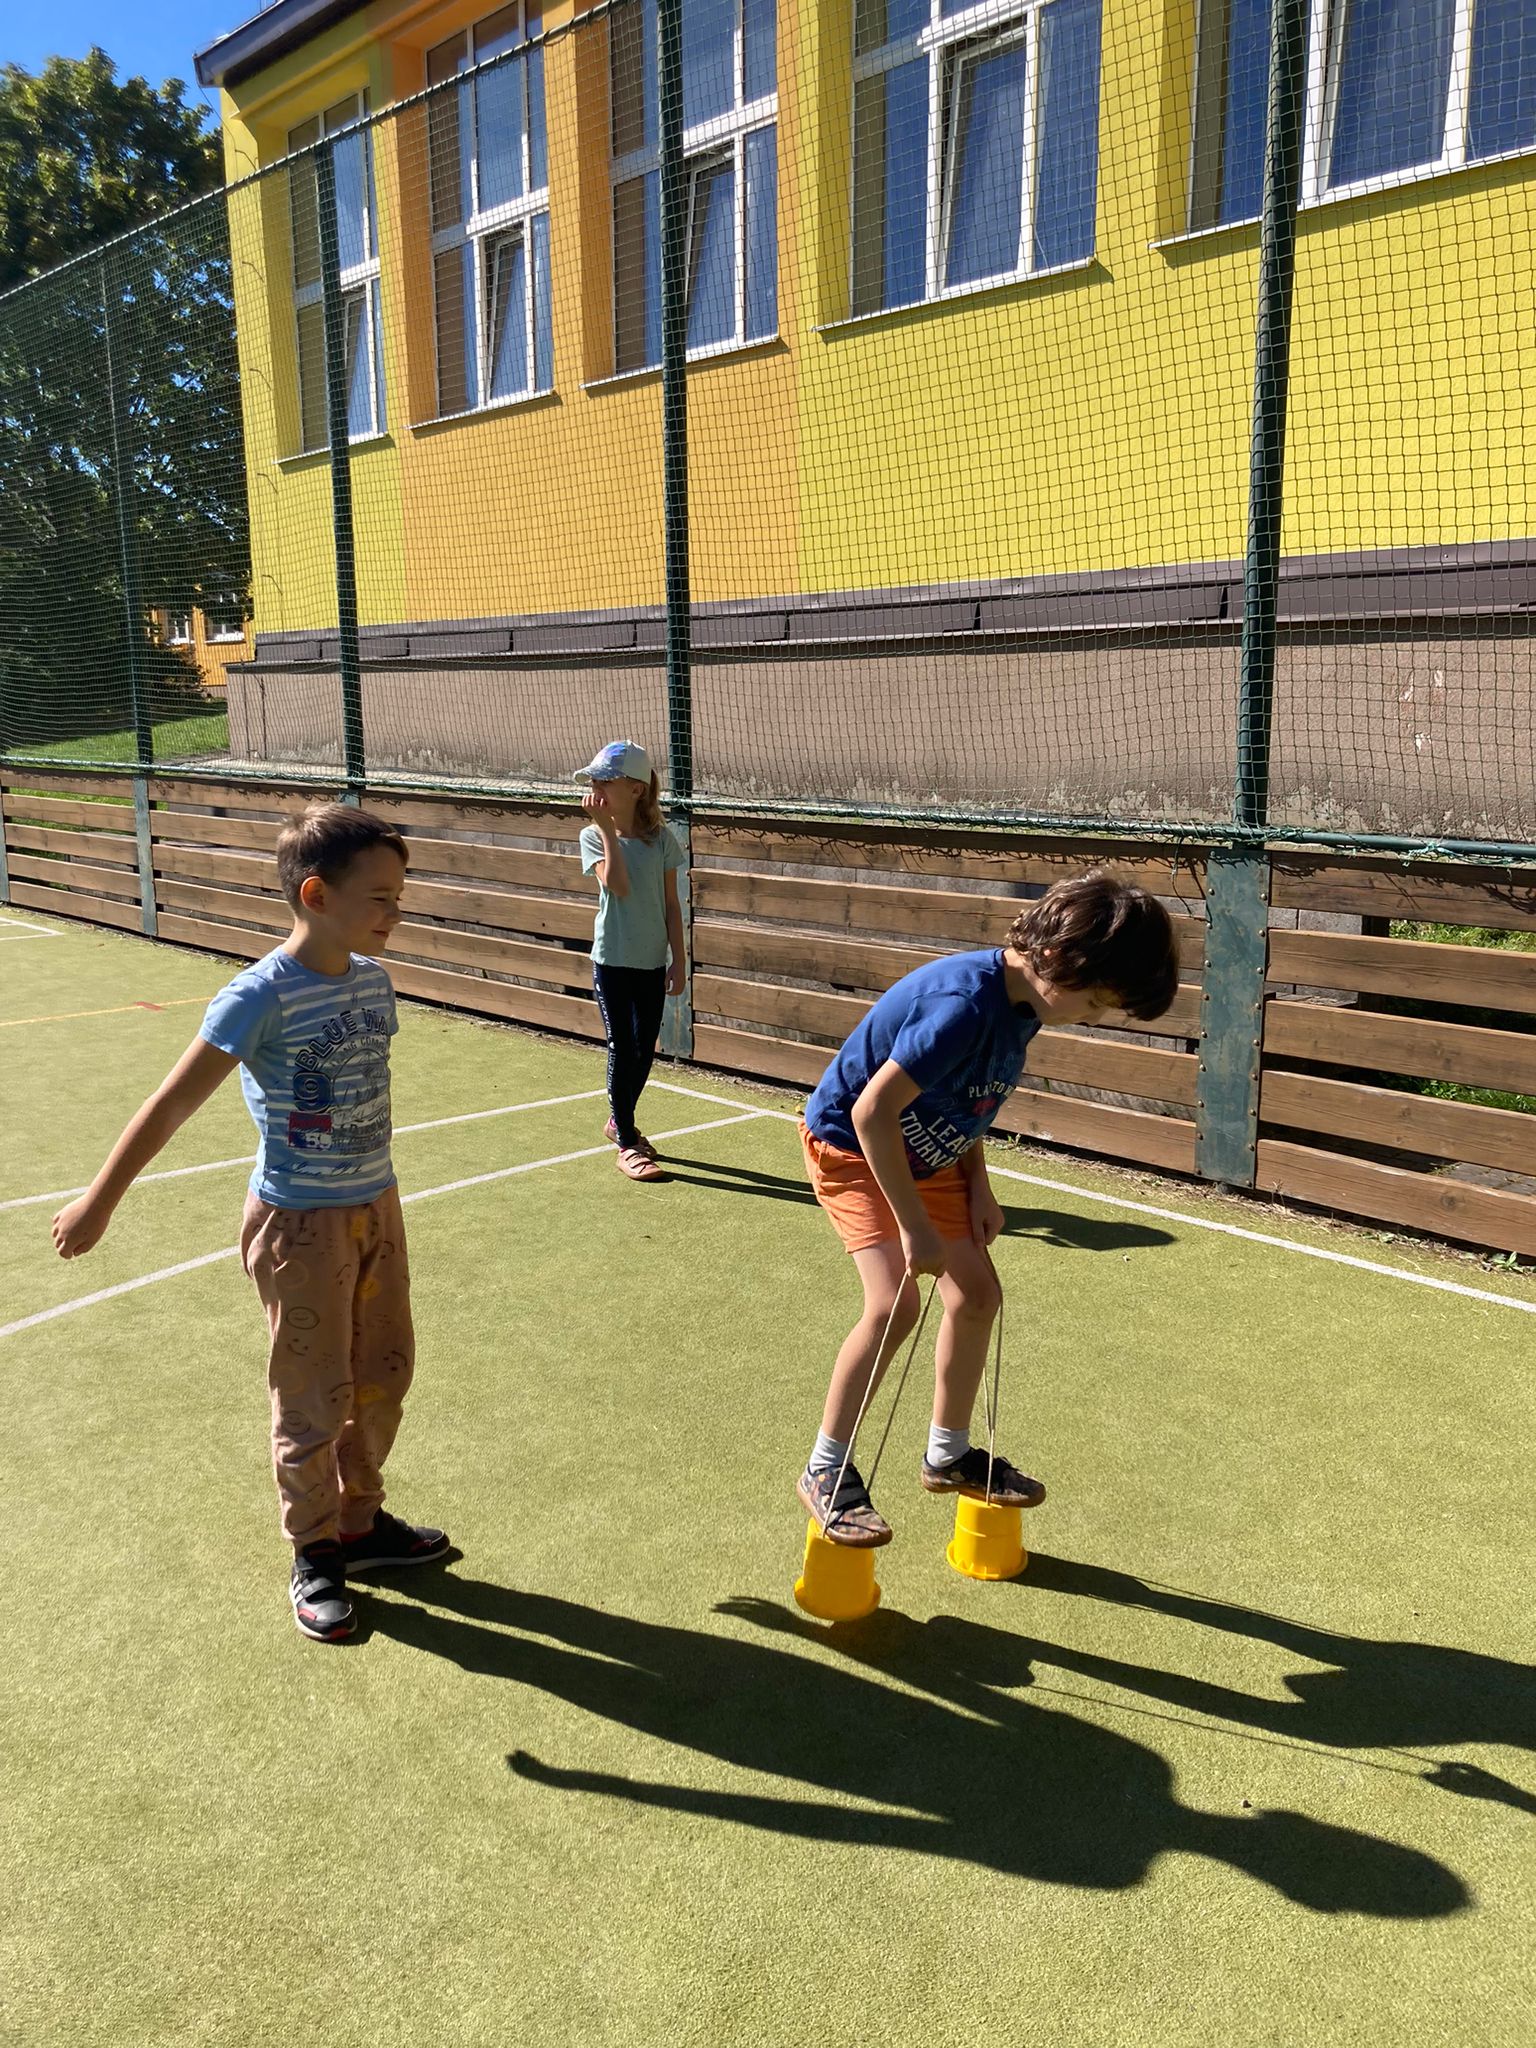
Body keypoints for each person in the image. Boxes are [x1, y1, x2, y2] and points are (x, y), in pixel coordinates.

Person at [50, 802, 448, 1642]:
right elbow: (171, 1103)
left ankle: (359, 1522)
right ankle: (315, 1551)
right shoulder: (257, 995)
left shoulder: (373, 983)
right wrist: (99, 1199)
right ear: (316, 896)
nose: (396, 913)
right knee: (313, 1392)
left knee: (383, 1373)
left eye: (400, 897)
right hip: (299, 1227)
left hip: (377, 1207)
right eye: (380, 898)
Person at [796, 871, 1180, 1546]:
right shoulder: (962, 1008)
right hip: (854, 1149)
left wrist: (978, 1184)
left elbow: (967, 1099)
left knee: (977, 1294)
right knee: (895, 1305)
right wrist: (915, 1226)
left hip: (928, 1152)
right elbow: (871, 1113)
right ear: (1058, 958)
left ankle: (947, 1456)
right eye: (1095, 1002)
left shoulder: (1026, 1003)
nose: (1093, 1017)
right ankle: (825, 1467)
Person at [575, 741, 687, 1182]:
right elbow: (618, 885)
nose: (595, 788)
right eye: (593, 781)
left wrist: (679, 960)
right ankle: (626, 1142)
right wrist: (605, 829)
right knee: (622, 1047)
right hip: (612, 961)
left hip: (652, 963)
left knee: (644, 1050)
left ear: (637, 790)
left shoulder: (661, 840)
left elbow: (672, 905)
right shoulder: (591, 837)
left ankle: (617, 1120)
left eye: (605, 781)